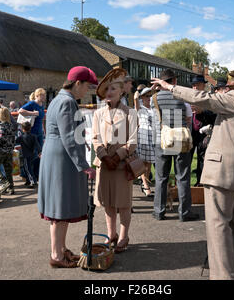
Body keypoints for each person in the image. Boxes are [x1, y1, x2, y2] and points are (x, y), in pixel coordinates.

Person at [152, 62, 234, 280]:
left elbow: (202, 98)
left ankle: (224, 277)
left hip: (220, 172)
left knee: (218, 229)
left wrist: (169, 87)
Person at [37, 66, 97, 268]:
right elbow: (69, 138)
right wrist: (84, 166)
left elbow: (71, 133)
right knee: (59, 209)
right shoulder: (67, 102)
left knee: (59, 208)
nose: (87, 91)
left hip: (57, 155)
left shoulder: (59, 99)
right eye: (87, 86)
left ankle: (61, 249)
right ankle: (56, 254)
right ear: (77, 83)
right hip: (62, 158)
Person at [92, 68, 138, 254]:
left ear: (121, 91)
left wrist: (117, 156)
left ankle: (124, 235)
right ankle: (111, 235)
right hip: (104, 165)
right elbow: (94, 137)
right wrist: (103, 155)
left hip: (121, 165)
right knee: (108, 202)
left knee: (124, 203)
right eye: (106, 90)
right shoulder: (98, 114)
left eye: (112, 89)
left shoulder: (130, 113)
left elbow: (133, 140)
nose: (108, 93)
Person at [151, 69, 199, 222]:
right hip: (180, 139)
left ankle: (159, 211)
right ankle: (184, 212)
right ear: (174, 82)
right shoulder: (181, 96)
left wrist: (155, 89)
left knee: (161, 178)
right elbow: (188, 119)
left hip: (161, 139)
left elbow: (155, 118)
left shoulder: (154, 99)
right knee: (182, 177)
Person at [189, 75, 216, 186]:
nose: (195, 87)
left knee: (202, 159)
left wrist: (202, 111)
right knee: (186, 159)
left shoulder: (209, 98)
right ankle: (183, 184)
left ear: (203, 86)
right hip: (189, 133)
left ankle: (200, 183)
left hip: (203, 134)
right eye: (193, 85)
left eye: (197, 85)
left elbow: (215, 115)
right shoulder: (188, 97)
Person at [136, 87, 155, 197]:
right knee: (143, 162)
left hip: (152, 137)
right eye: (146, 96)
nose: (149, 98)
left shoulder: (153, 108)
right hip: (143, 136)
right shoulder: (139, 107)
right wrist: (138, 93)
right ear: (142, 97)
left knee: (149, 163)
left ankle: (145, 182)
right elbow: (135, 97)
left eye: (150, 95)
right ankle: (145, 185)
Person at [0, 107, 16, 195]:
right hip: (9, 151)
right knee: (8, 171)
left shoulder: (1, 126)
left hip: (1, 151)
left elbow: (0, 138)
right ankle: (11, 188)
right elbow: (13, 138)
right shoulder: (11, 125)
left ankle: (4, 182)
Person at [16, 121, 42, 188]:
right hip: (33, 155)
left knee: (28, 169)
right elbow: (37, 145)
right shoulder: (34, 136)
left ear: (23, 129)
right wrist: (40, 152)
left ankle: (33, 182)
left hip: (26, 156)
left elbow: (15, 141)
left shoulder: (21, 137)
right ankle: (28, 180)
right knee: (28, 168)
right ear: (30, 128)